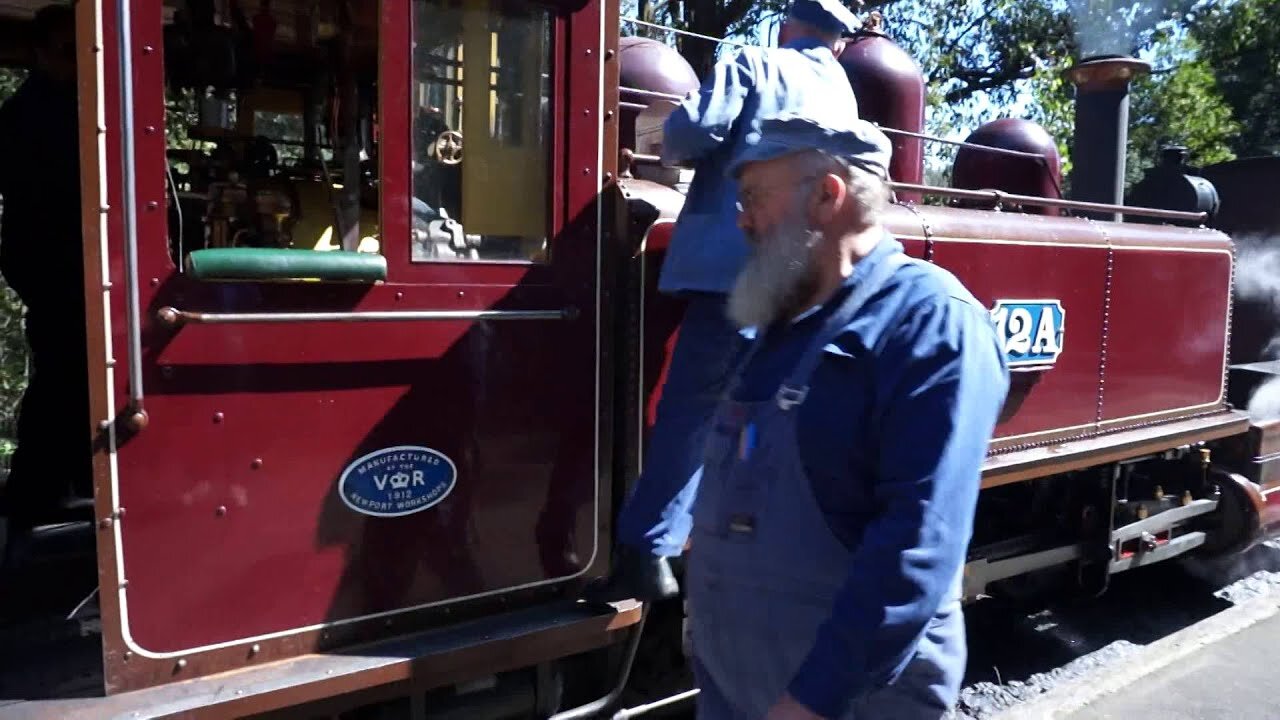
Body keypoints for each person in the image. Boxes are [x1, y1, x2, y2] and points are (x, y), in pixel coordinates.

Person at [686, 115, 1009, 719]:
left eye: (754, 196)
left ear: (827, 195)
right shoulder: (779, 329)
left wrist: (809, 702)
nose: (742, 218)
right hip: (739, 693)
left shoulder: (931, 322)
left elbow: (916, 545)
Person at [594, 0, 864, 602]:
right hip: (803, 282)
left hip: (735, 273)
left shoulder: (753, 63)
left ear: (785, 25)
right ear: (838, 42)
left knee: (691, 411)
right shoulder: (843, 94)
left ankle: (648, 552)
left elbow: (686, 140)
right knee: (762, 415)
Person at [0, 4, 92, 563]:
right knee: (62, 379)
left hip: (64, 265)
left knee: (70, 381)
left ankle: (62, 491)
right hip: (55, 267)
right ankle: (33, 502)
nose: (76, 64)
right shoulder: (30, 115)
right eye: (65, 52)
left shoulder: (61, 107)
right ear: (38, 54)